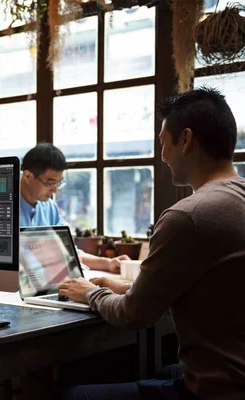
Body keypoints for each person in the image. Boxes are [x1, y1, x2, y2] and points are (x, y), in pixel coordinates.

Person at [59, 87, 245, 399]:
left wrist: (91, 293)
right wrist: (122, 286)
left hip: (219, 390)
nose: (161, 155)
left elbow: (134, 316)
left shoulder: (187, 216)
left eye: (162, 143)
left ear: (185, 140)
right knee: (158, 369)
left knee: (71, 395)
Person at [20, 143, 129, 273]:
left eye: (58, 183)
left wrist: (109, 263)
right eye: (50, 183)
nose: (55, 190)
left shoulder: (49, 208)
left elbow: (69, 253)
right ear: (27, 176)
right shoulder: (3, 208)